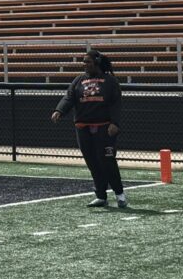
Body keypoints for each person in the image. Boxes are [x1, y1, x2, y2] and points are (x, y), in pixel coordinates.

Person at [51, 49, 128, 208]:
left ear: (97, 63)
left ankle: (119, 194)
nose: (84, 64)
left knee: (107, 162)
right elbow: (69, 97)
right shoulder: (78, 80)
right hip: (83, 128)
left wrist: (115, 123)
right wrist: (59, 110)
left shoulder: (110, 81)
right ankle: (101, 196)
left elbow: (116, 104)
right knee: (92, 162)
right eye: (84, 62)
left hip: (104, 128)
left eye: (88, 62)